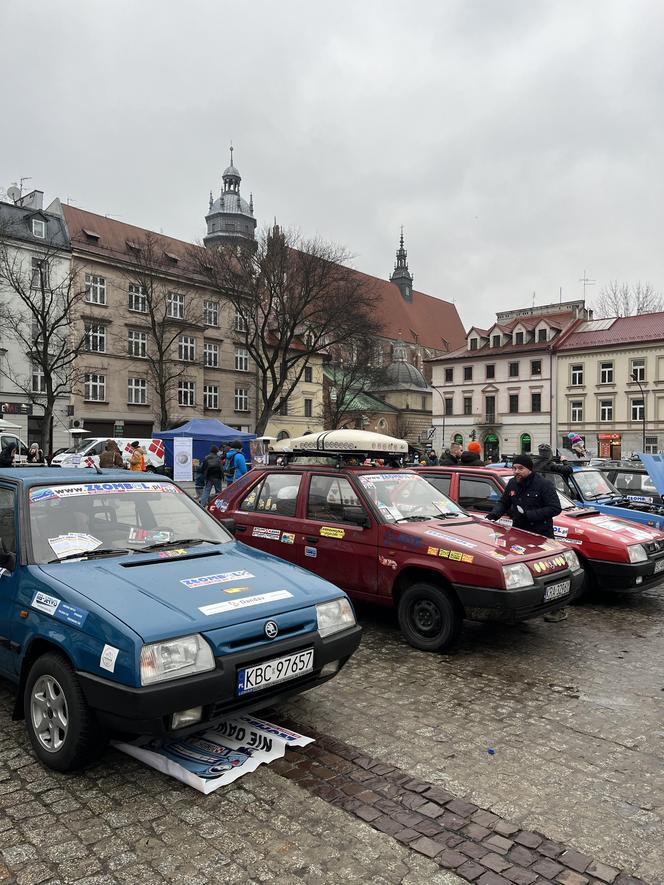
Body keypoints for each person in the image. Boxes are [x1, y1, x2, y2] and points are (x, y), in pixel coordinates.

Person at [486, 454, 566, 622]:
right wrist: (494, 514)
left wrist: (530, 515)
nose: (516, 472)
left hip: (541, 535)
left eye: (520, 468)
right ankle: (525, 605)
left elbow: (555, 508)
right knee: (523, 571)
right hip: (519, 535)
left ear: (530, 469)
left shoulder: (544, 485)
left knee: (549, 571)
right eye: (514, 468)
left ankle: (556, 608)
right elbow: (504, 502)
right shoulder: (513, 483)